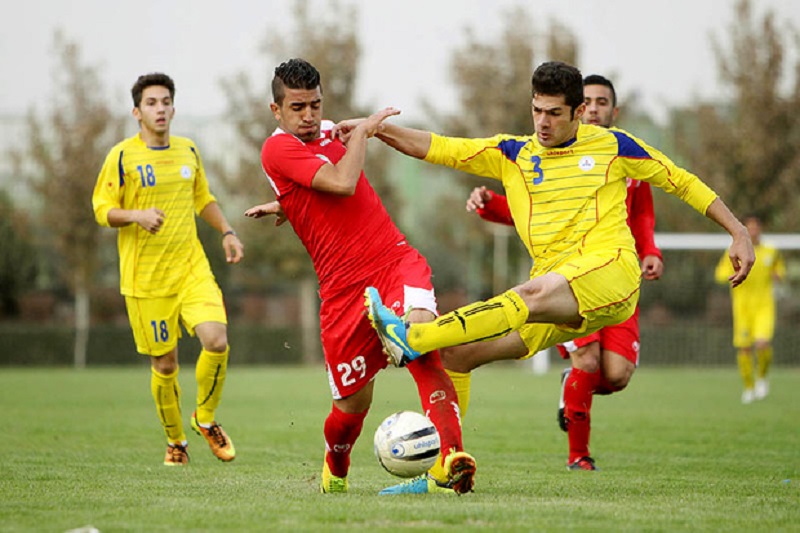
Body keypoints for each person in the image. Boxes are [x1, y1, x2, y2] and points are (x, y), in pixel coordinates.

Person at [350, 61, 754, 468]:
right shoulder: (513, 153)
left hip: (610, 275)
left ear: (578, 112)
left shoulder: (613, 146)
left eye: (554, 113)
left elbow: (680, 180)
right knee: (458, 354)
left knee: (534, 294)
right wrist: (373, 128)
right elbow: (438, 146)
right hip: (554, 293)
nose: (542, 122)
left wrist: (737, 232)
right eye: (537, 110)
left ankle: (414, 338)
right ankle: (447, 464)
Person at [243, 58, 475, 495]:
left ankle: (451, 461)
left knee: (424, 341)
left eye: (315, 104)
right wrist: (365, 133)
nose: (309, 116)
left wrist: (289, 204)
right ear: (277, 111)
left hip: (392, 259)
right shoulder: (276, 149)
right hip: (341, 290)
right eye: (297, 108)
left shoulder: (331, 132)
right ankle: (336, 466)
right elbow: (342, 182)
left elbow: (322, 184)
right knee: (351, 408)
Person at [464, 74, 664, 471]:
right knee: (587, 359)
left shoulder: (627, 157)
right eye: (587, 101)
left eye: (601, 102)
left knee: (616, 374)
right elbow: (531, 214)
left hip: (616, 277)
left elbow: (640, 214)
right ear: (576, 110)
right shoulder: (552, 154)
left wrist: (651, 250)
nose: (593, 108)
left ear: (614, 110)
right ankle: (579, 458)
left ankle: (570, 389)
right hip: (567, 278)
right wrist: (490, 206)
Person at [92, 73, 244, 466]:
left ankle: (205, 419)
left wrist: (227, 230)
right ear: (137, 112)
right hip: (146, 281)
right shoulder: (122, 156)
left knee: (216, 340)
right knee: (166, 364)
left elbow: (203, 199)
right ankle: (176, 441)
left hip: (191, 269)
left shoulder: (188, 151)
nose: (159, 109)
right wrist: (136, 215)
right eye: (151, 103)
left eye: (165, 102)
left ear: (174, 108)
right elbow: (101, 209)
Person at [715, 214, 785, 404]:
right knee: (745, 349)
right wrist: (733, 273)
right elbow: (720, 274)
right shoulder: (735, 250)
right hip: (742, 308)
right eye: (749, 227)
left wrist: (777, 275)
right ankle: (748, 387)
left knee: (762, 343)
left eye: (756, 227)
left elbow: (780, 272)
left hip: (764, 306)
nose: (753, 230)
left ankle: (762, 377)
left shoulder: (772, 251)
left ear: (760, 229)